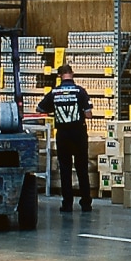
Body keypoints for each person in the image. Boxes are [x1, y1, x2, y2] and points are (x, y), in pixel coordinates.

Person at [40, 62, 94, 212]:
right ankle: (86, 203)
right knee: (82, 167)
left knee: (65, 169)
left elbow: (40, 108)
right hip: (79, 133)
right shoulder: (80, 91)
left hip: (63, 134)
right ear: (72, 74)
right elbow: (89, 114)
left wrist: (55, 111)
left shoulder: (54, 93)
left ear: (59, 76)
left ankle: (67, 203)